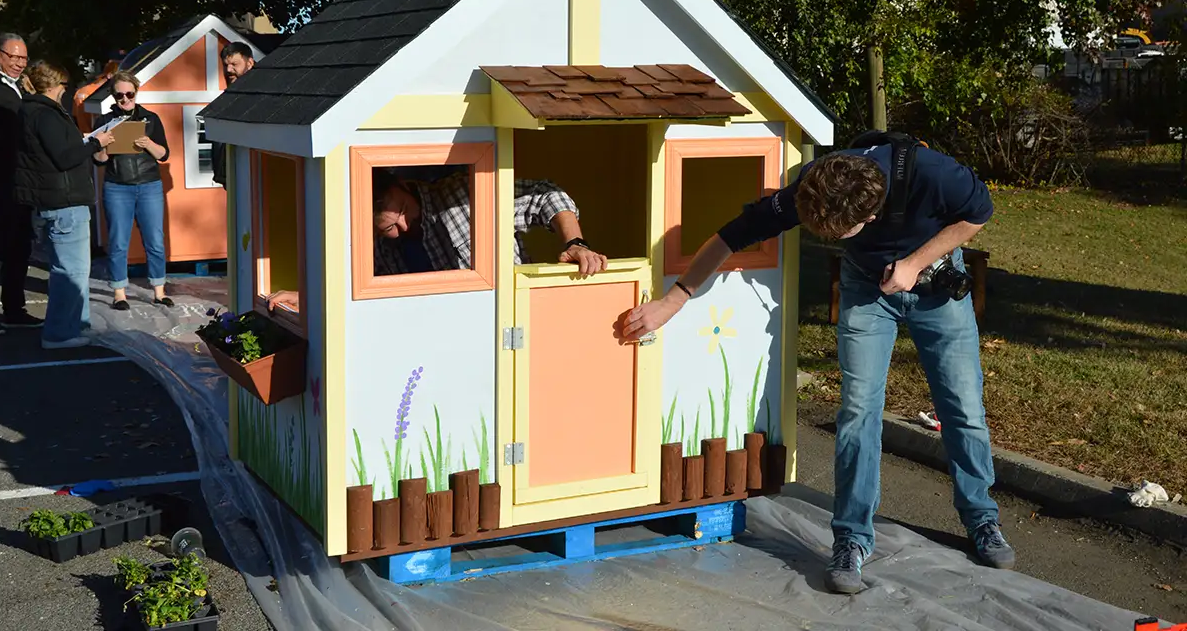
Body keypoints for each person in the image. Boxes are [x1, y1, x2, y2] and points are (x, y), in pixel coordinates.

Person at [621, 132, 1013, 594]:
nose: (825, 239)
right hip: (867, 288)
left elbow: (978, 213)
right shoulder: (815, 187)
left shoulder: (932, 173)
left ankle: (981, 518)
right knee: (858, 411)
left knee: (962, 406)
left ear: (869, 217)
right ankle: (851, 539)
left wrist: (913, 263)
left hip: (936, 286)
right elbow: (730, 235)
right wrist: (673, 300)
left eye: (835, 235)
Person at [266, 171, 607, 312]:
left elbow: (546, 196)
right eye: (389, 228)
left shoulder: (463, 194)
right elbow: (358, 295)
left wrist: (575, 243)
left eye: (403, 211)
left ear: (403, 185)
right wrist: (309, 299)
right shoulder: (380, 248)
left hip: (505, 328)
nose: (404, 226)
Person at [13, 61, 115, 349]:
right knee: (70, 274)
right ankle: (59, 333)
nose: (65, 91)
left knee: (71, 271)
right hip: (64, 201)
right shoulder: (45, 114)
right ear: (54, 85)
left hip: (55, 200)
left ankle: (76, 325)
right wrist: (95, 143)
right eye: (64, 86)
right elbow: (64, 157)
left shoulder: (31, 110)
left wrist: (86, 142)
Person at [92, 71, 173, 310]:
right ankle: (119, 294)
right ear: (113, 96)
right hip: (117, 186)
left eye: (129, 94)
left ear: (136, 93)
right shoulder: (104, 121)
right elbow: (98, 160)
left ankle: (159, 291)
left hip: (149, 184)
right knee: (118, 241)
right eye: (120, 95)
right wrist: (104, 145)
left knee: (155, 240)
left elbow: (164, 154)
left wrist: (148, 144)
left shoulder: (151, 118)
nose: (125, 99)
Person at [0, 32, 43, 335]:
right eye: (14, 57)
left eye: (24, 58)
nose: (20, 63)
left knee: (20, 246)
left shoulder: (20, 86)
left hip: (21, 182)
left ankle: (14, 308)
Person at [209, 41, 256, 189]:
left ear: (249, 63)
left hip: (253, 176)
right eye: (225, 65)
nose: (229, 70)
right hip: (229, 176)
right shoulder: (227, 98)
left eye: (234, 64)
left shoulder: (259, 95)